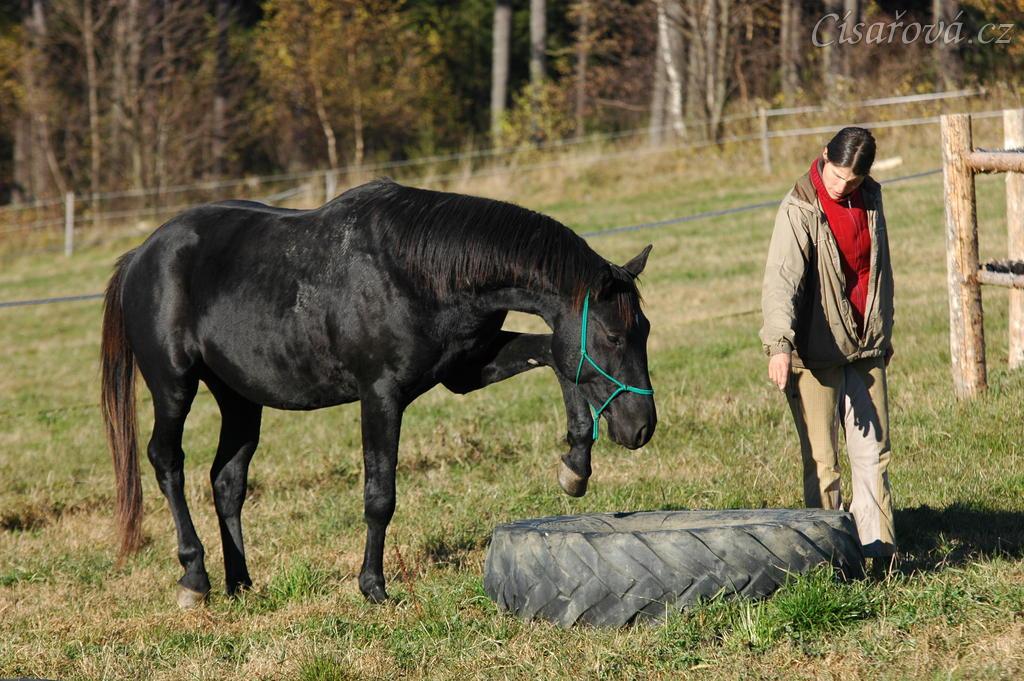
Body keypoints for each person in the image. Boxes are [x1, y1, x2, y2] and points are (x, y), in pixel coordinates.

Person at [759, 126, 896, 568]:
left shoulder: (870, 198)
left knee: (873, 454)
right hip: (815, 353)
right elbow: (781, 281)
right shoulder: (799, 206)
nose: (841, 187)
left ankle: (879, 552)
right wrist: (779, 344)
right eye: (837, 176)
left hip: (865, 346)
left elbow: (879, 271)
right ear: (824, 157)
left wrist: (883, 332)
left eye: (852, 181)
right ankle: (828, 558)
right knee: (823, 461)